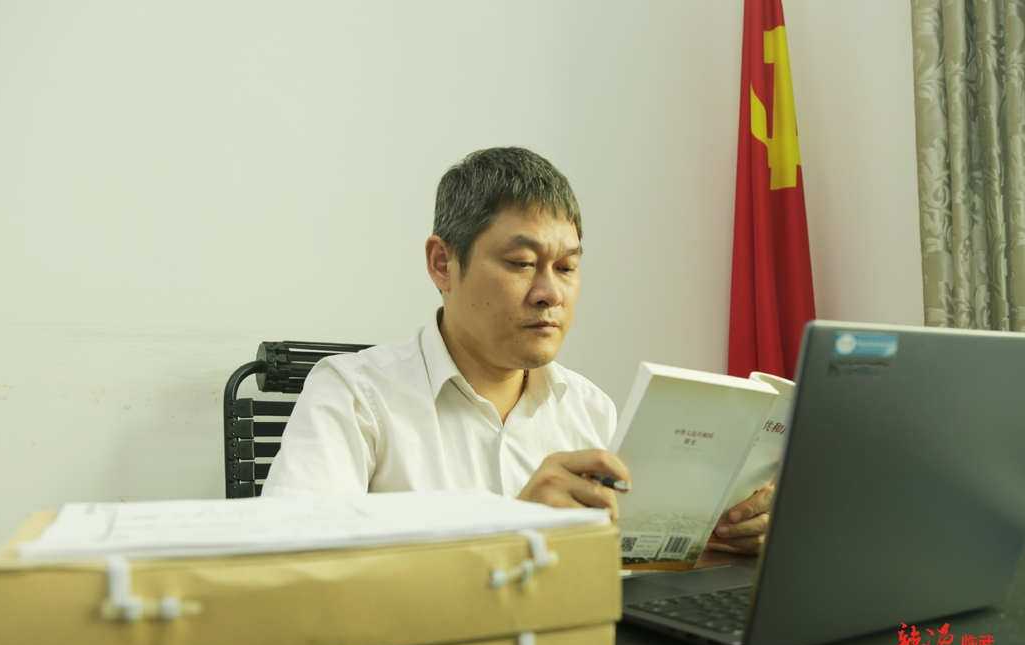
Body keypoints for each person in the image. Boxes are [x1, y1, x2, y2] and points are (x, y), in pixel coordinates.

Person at [264, 147, 772, 554]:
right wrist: (510, 536)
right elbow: (292, 577)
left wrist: (709, 536)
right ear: (442, 264)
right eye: (522, 263)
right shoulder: (352, 395)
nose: (550, 293)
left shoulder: (590, 410)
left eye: (567, 268)